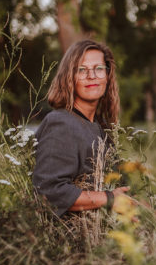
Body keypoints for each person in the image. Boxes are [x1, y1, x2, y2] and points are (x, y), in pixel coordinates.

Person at [32, 40, 130, 217]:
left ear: (107, 76)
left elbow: (121, 190)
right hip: (80, 237)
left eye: (99, 69)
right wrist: (108, 199)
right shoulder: (61, 123)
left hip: (119, 228)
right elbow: (48, 192)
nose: (91, 76)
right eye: (82, 70)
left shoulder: (101, 128)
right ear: (69, 77)